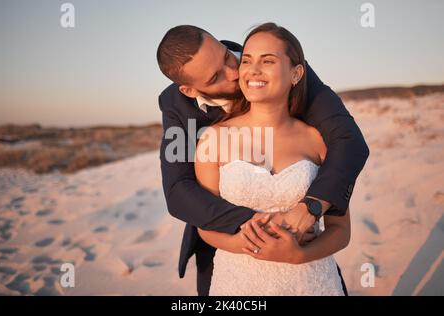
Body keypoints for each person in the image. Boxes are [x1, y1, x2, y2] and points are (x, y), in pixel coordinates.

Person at [157, 24, 369, 296]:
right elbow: (179, 191)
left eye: (227, 57)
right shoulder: (180, 109)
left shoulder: (268, 58)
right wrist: (266, 228)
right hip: (226, 241)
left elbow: (348, 140)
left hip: (309, 263)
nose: (236, 72)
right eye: (215, 77)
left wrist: (309, 210)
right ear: (189, 90)